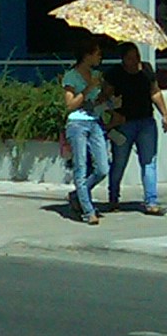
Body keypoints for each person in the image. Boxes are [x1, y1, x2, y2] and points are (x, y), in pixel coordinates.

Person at [105, 40, 166, 216]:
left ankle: (151, 201)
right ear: (123, 59)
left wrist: (165, 114)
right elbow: (104, 98)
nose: (135, 61)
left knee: (149, 161)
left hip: (146, 121)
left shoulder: (146, 70)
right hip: (123, 124)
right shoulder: (114, 74)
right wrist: (111, 115)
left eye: (137, 56)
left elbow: (154, 92)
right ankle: (114, 197)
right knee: (119, 162)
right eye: (131, 57)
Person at [61, 38, 111, 225]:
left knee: (102, 168)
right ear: (87, 55)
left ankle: (78, 194)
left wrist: (105, 97)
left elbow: (96, 102)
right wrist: (88, 88)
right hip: (77, 124)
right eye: (97, 53)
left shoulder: (97, 74)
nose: (100, 57)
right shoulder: (71, 76)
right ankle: (88, 210)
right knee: (80, 167)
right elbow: (70, 105)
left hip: (95, 122)